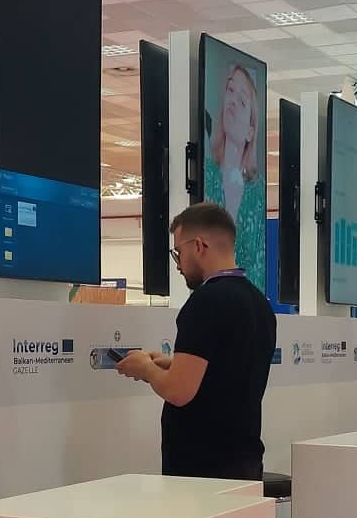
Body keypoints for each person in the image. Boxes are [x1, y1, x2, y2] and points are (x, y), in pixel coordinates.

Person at [117, 202, 275, 480]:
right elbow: (227, 371)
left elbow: (178, 391)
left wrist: (146, 368)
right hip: (244, 460)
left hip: (201, 471)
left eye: (178, 252)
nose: (178, 265)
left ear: (199, 246)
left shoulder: (206, 302)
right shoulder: (259, 302)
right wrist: (172, 364)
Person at [203, 62, 266, 290]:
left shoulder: (256, 193)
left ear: (250, 131)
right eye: (230, 91)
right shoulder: (207, 175)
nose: (233, 102)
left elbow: (257, 266)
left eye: (242, 101)